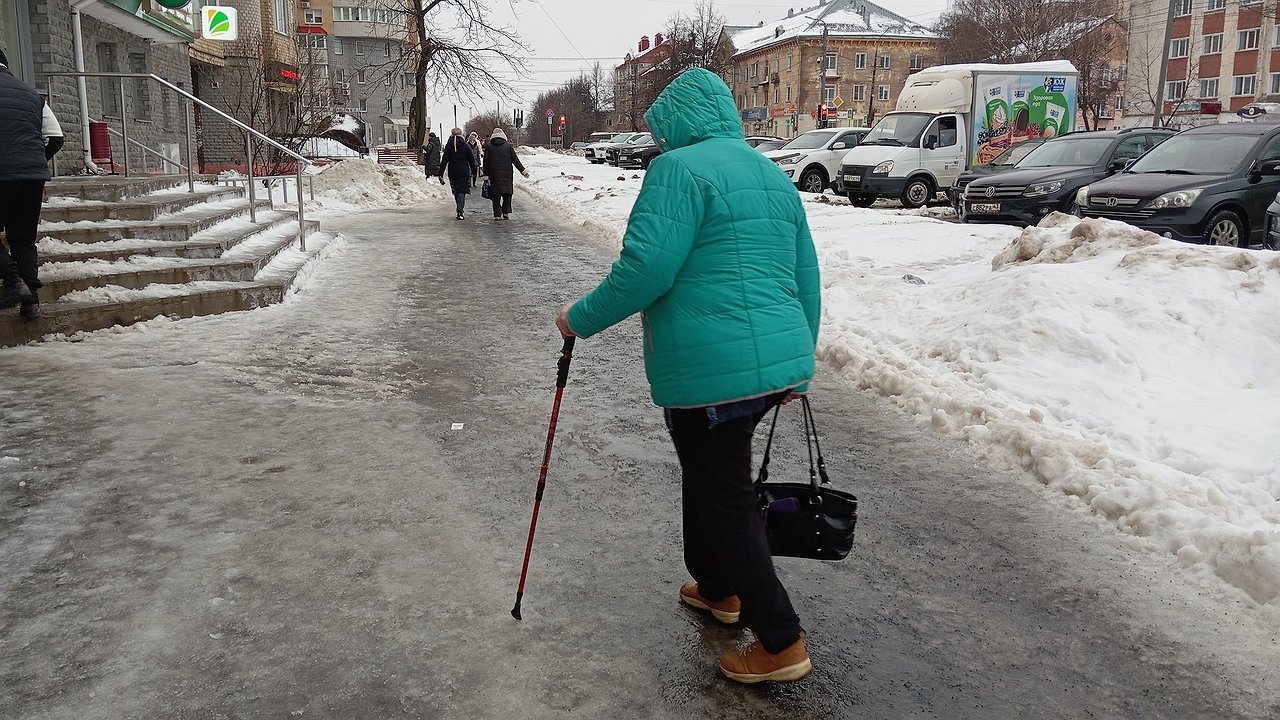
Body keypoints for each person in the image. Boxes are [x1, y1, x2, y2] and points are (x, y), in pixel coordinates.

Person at [554, 67, 820, 684]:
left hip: (711, 370)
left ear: (675, 123)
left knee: (723, 493)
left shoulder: (677, 171)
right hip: (769, 365)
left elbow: (646, 271)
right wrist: (799, 360)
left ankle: (780, 639)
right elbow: (805, 274)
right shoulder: (770, 175)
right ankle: (719, 587)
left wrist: (579, 319)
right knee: (711, 478)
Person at [0, 48, 62, 320]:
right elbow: (57, 138)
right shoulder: (33, 95)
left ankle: (14, 283)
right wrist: (35, 162)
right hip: (32, 177)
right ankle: (32, 304)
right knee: (23, 239)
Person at [481, 127, 528, 220]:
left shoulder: (489, 147)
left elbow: (485, 162)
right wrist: (523, 171)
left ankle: (497, 214)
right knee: (507, 193)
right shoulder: (508, 146)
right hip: (507, 174)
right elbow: (515, 160)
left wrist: (486, 176)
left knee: (496, 195)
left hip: (493, 174)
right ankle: (506, 212)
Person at [436, 127, 477, 220]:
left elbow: (444, 160)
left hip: (452, 171)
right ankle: (460, 210)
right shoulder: (466, 146)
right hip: (464, 171)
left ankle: (459, 208)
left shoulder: (448, 146)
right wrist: (474, 172)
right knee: (462, 190)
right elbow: (471, 159)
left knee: (456, 190)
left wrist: (440, 173)